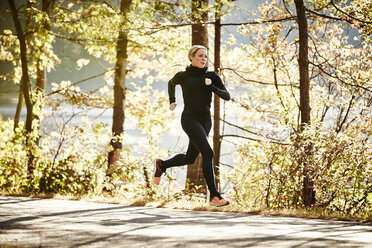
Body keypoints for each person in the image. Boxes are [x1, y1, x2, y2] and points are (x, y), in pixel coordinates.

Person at [153, 45, 231, 207]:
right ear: (191, 57)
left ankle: (162, 164)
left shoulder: (212, 76)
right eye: (200, 55)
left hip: (205, 121)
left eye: (205, 56)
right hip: (189, 119)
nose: (204, 59)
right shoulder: (183, 76)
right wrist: (172, 100)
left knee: (190, 158)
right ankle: (214, 196)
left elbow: (226, 96)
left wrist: (212, 87)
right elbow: (170, 83)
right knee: (208, 152)